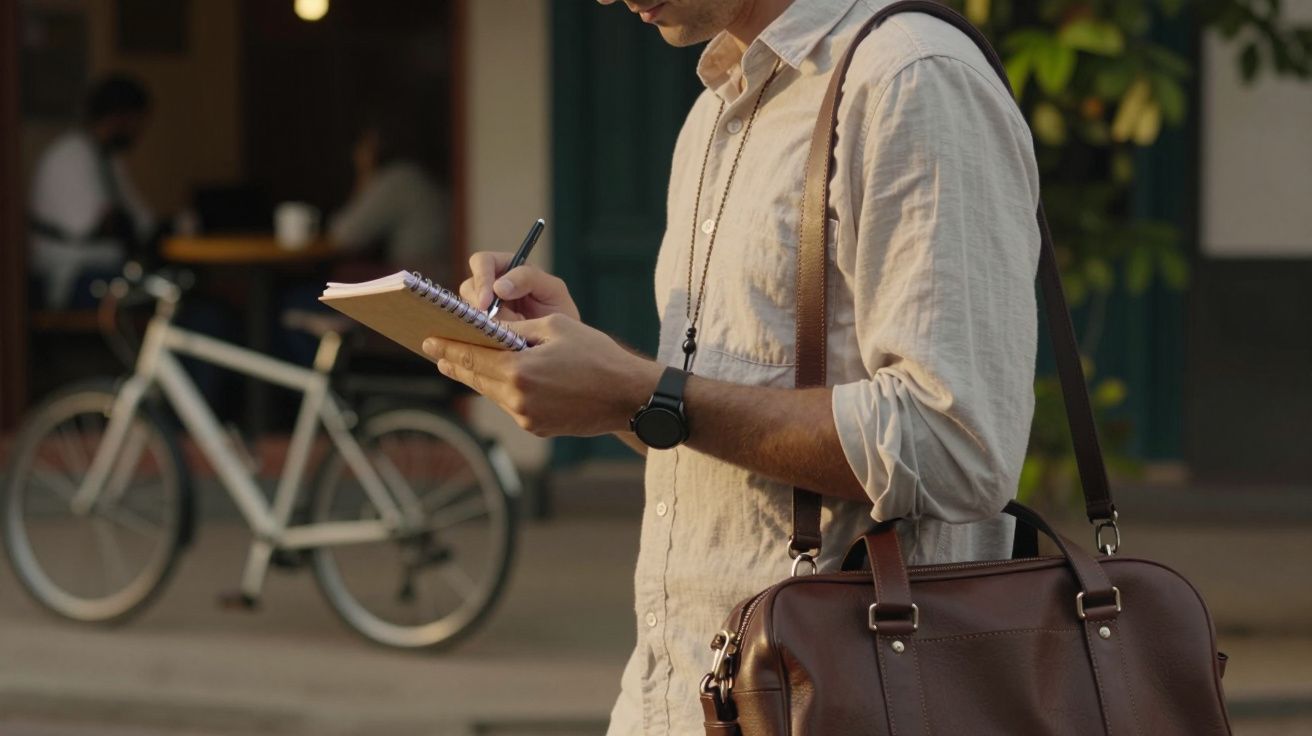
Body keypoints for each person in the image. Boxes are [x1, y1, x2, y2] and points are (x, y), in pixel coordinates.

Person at [424, 1, 1041, 733]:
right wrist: (593, 368)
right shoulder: (716, 113)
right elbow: (709, 409)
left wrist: (638, 391)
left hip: (845, 701)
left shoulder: (911, 78)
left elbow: (955, 447)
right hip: (675, 695)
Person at [29, 74, 156, 309]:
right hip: (72, 277)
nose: (140, 131)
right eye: (138, 121)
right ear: (122, 117)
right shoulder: (71, 154)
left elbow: (142, 220)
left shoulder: (107, 158)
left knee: (178, 291)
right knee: (170, 301)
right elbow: (105, 222)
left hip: (105, 269)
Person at [328, 111, 450, 283]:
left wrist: (364, 173)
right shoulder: (422, 173)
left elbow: (345, 236)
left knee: (340, 278)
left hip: (419, 281)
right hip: (440, 276)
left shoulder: (400, 178)